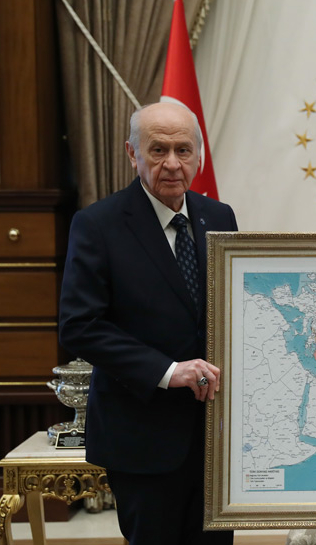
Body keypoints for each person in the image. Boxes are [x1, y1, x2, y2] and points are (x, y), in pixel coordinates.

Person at [59, 102, 237, 545]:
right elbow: (80, 325)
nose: (172, 163)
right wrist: (168, 371)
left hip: (217, 438)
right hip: (142, 436)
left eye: (183, 150)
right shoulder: (97, 224)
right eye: (158, 150)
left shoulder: (220, 217)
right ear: (132, 153)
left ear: (199, 156)